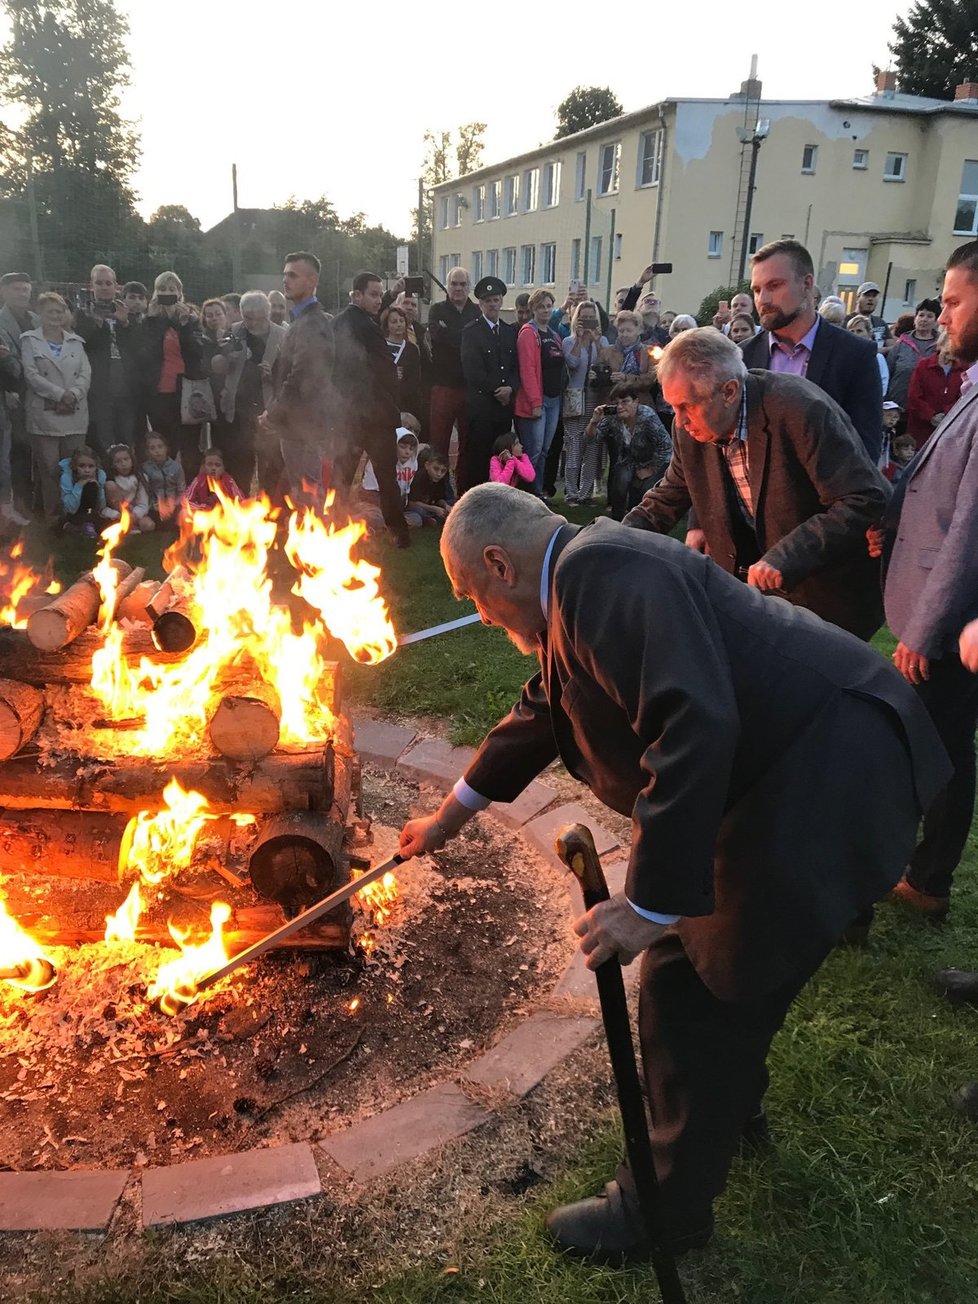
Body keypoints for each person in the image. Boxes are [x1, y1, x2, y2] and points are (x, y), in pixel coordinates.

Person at [397, 482, 949, 1262]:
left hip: (825, 767)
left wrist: (649, 902)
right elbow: (545, 704)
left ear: (500, 563)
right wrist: (453, 812)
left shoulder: (602, 576)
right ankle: (720, 1117)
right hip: (794, 760)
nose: (479, 615)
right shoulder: (583, 579)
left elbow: (694, 723)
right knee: (695, 973)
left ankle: (661, 1212)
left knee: (695, 985)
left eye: (471, 596)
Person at [625, 328, 889, 640]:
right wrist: (614, 539)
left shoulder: (800, 409)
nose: (680, 421)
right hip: (750, 596)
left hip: (826, 595)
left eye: (687, 406)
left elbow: (862, 497)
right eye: (673, 406)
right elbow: (668, 495)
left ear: (729, 391)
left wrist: (786, 556)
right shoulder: (690, 429)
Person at [874, 239, 978, 920]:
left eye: (953, 301)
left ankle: (928, 879)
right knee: (944, 740)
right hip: (940, 616)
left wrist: (923, 629)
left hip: (946, 625)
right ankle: (924, 871)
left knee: (943, 745)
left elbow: (970, 530)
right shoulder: (970, 387)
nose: (940, 315)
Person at [740, 240, 882, 461]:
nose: (763, 300)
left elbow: (866, 448)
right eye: (757, 290)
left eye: (774, 285)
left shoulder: (855, 355)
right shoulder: (742, 357)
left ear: (807, 284)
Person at [331, 272, 409, 545]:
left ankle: (334, 526)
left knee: (341, 477)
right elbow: (385, 366)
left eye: (380, 295)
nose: (379, 300)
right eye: (374, 295)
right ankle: (399, 533)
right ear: (357, 295)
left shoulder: (339, 322)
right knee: (387, 478)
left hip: (347, 416)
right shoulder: (367, 326)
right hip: (373, 416)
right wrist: (394, 392)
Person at [260, 251, 334, 501]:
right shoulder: (302, 320)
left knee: (309, 494)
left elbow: (303, 376)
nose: (285, 280)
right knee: (303, 493)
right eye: (285, 275)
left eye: (293, 275)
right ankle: (308, 537)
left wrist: (274, 411)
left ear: (312, 281)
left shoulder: (313, 323)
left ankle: (316, 540)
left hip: (305, 425)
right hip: (296, 424)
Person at [21, 292, 92, 523]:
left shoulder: (76, 341)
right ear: (40, 314)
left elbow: (85, 373)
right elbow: (31, 375)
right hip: (45, 415)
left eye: (59, 311)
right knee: (50, 470)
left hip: (75, 413)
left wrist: (74, 393)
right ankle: (54, 517)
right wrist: (60, 394)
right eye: (50, 311)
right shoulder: (29, 340)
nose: (55, 316)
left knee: (74, 467)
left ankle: (75, 514)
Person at [131, 271, 205, 479]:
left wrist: (182, 324)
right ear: (156, 293)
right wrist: (157, 322)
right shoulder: (149, 321)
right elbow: (144, 356)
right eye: (162, 289)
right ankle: (165, 495)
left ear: (180, 293)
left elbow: (197, 352)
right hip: (159, 393)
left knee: (190, 446)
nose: (167, 293)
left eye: (172, 289)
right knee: (164, 446)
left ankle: (191, 494)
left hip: (187, 392)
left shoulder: (190, 320)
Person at [220, 290, 287, 495]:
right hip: (238, 404)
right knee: (240, 458)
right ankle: (241, 502)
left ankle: (270, 504)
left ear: (266, 314)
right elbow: (219, 366)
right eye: (248, 317)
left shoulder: (281, 334)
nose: (252, 323)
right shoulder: (233, 331)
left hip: (267, 405)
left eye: (257, 318)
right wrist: (224, 353)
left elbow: (290, 372)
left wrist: (272, 374)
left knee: (270, 459)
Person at [73, 264, 140, 459]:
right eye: (99, 283)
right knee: (104, 443)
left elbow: (140, 349)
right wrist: (97, 322)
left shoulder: (128, 314)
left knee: (127, 442)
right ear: (91, 285)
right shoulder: (82, 315)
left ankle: (129, 485)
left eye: (108, 283)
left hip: (127, 391)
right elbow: (80, 345)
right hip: (99, 391)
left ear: (116, 286)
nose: (104, 287)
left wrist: (125, 323)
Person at [460, 276, 519, 491]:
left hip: (503, 408)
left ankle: (498, 496)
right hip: (482, 406)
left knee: (501, 456)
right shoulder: (471, 332)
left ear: (502, 301)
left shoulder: (509, 331)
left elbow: (515, 366)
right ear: (480, 304)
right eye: (487, 301)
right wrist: (497, 390)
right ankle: (476, 498)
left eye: (496, 299)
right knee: (479, 456)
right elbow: (472, 370)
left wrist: (511, 388)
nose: (492, 304)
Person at [587, 388, 671, 520]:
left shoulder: (647, 417)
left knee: (646, 490)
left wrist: (651, 469)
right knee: (620, 480)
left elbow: (667, 447)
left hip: (654, 461)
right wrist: (594, 422)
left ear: (636, 402)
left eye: (625, 401)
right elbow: (590, 439)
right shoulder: (613, 416)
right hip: (629, 460)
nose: (620, 406)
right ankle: (617, 519)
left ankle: (644, 519)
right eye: (616, 403)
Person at [427, 267, 480, 464]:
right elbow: (437, 336)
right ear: (447, 286)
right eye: (454, 284)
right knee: (439, 444)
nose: (458, 288)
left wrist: (450, 333)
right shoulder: (436, 310)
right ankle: (437, 493)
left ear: (469, 286)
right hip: (443, 387)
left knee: (468, 443)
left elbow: (474, 344)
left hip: (469, 388)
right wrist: (465, 337)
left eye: (462, 284)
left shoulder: (476, 311)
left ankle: (464, 491)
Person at [514, 289, 563, 494]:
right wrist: (535, 402)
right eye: (541, 307)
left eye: (548, 306)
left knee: (544, 451)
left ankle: (538, 490)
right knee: (532, 452)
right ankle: (528, 494)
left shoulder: (553, 334)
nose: (545, 310)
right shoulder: (528, 333)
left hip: (554, 399)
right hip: (537, 401)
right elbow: (528, 370)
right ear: (533, 309)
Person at [0, 272, 39, 522]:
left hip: (35, 394)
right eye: (16, 289)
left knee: (31, 450)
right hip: (9, 396)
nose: (22, 294)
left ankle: (31, 501)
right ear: (4, 292)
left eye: (25, 289)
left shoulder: (36, 319)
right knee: (12, 451)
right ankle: (13, 503)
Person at [561, 301, 608, 507]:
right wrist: (580, 340)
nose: (588, 321)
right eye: (584, 317)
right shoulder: (569, 341)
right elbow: (573, 363)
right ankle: (571, 493)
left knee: (593, 447)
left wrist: (597, 342)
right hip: (574, 398)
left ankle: (586, 494)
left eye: (591, 317)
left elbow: (606, 364)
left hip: (595, 398)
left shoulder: (603, 341)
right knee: (574, 445)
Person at [906, 331, 967, 448]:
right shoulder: (923, 366)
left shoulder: (963, 369)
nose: (954, 352)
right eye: (951, 347)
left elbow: (963, 396)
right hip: (920, 428)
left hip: (948, 427)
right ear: (940, 346)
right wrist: (931, 415)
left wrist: (946, 414)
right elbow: (914, 396)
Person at [886, 298, 942, 409]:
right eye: (921, 315)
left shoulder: (941, 346)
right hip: (897, 406)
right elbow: (888, 372)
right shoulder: (901, 344)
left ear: (936, 321)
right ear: (915, 319)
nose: (924, 319)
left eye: (929, 316)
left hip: (927, 409)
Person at [381, 304, 422, 422]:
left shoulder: (412, 349)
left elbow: (414, 381)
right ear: (387, 326)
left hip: (405, 405)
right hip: (384, 403)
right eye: (394, 322)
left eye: (401, 321)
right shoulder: (380, 347)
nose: (399, 324)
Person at [59, 445, 110, 537]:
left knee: (92, 486)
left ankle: (89, 522)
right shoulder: (67, 478)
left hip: (92, 511)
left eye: (91, 466)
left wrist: (98, 488)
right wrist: (79, 485)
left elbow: (101, 505)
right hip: (74, 513)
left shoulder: (100, 475)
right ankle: (73, 525)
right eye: (82, 466)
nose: (87, 470)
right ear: (75, 466)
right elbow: (70, 508)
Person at [103, 442, 155, 531]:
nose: (123, 464)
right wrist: (117, 515)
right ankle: (125, 525)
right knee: (110, 486)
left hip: (135, 512)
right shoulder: (110, 479)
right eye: (118, 461)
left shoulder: (140, 477)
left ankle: (130, 526)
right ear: (112, 464)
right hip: (118, 514)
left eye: (126, 459)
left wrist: (134, 515)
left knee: (149, 525)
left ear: (132, 459)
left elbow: (143, 503)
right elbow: (103, 507)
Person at [142, 430, 185, 525]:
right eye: (152, 448)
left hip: (175, 505)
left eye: (160, 447)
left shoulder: (176, 467)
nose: (157, 451)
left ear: (166, 448)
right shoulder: (145, 469)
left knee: (184, 517)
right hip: (155, 508)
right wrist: (157, 506)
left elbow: (182, 491)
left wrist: (174, 504)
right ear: (148, 452)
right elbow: (147, 492)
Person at [185, 447, 242, 511]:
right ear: (204, 466)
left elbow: (240, 501)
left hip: (224, 514)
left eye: (217, 465)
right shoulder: (198, 480)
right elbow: (186, 501)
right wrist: (202, 507)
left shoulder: (229, 481)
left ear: (223, 468)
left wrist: (225, 505)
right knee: (183, 512)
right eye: (209, 464)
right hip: (203, 515)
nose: (213, 468)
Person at [407, 449, 455, 526]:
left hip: (432, 505)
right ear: (427, 465)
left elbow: (440, 498)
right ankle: (427, 519)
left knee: (453, 503)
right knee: (419, 513)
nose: (439, 474)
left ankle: (434, 518)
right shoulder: (419, 478)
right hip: (418, 507)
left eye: (443, 471)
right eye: (436, 469)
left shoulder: (441, 479)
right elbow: (412, 503)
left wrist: (446, 506)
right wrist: (434, 509)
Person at [847, 314, 890, 397]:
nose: (855, 334)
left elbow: (883, 384)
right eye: (852, 331)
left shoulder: (878, 358)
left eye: (859, 331)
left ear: (869, 333)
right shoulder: (843, 356)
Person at [845, 281, 892, 350]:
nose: (870, 299)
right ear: (857, 298)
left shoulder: (880, 322)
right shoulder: (847, 320)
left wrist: (881, 351)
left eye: (874, 296)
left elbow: (893, 346)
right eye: (867, 295)